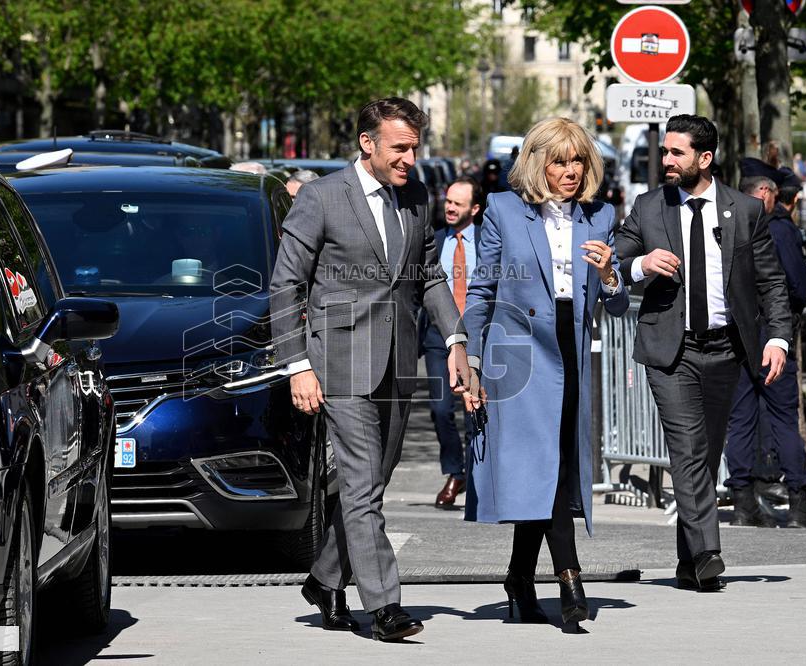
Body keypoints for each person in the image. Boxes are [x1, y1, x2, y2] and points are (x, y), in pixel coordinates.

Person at [269, 97, 474, 641]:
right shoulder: (321, 198)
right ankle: (384, 605)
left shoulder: (415, 196)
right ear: (368, 143)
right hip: (338, 362)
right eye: (400, 147)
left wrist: (455, 337)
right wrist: (297, 365)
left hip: (397, 361)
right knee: (360, 484)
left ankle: (325, 578)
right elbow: (286, 284)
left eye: (415, 146)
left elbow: (428, 275)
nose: (410, 157)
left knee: (372, 484)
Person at [462, 117, 629, 627]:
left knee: (555, 465)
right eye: (559, 160)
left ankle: (518, 580)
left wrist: (609, 276)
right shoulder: (504, 210)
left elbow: (617, 305)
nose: (571, 170)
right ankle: (570, 576)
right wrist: (470, 360)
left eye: (578, 159)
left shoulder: (600, 217)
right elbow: (482, 290)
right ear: (537, 163)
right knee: (544, 467)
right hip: (518, 355)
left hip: (571, 347)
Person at [614, 115, 792, 592]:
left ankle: (688, 562)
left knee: (707, 455)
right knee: (688, 449)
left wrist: (777, 338)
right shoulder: (649, 207)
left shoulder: (744, 210)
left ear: (704, 158)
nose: (666, 161)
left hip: (726, 350)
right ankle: (710, 553)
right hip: (672, 351)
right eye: (665, 152)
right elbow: (617, 256)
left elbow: (770, 282)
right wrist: (640, 264)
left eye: (676, 153)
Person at [726, 170, 806, 529]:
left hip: (737, 332)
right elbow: (794, 286)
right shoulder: (775, 228)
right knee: (784, 419)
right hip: (770, 333)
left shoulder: (728, 222)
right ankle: (799, 500)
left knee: (739, 420)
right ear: (766, 193)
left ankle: (743, 502)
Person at [419, 176, 482, 507]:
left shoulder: (487, 242)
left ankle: (475, 478)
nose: (450, 207)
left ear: (474, 208)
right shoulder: (435, 239)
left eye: (458, 203)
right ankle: (454, 471)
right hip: (437, 337)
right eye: (448, 201)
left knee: (475, 409)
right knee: (441, 409)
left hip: (475, 338)